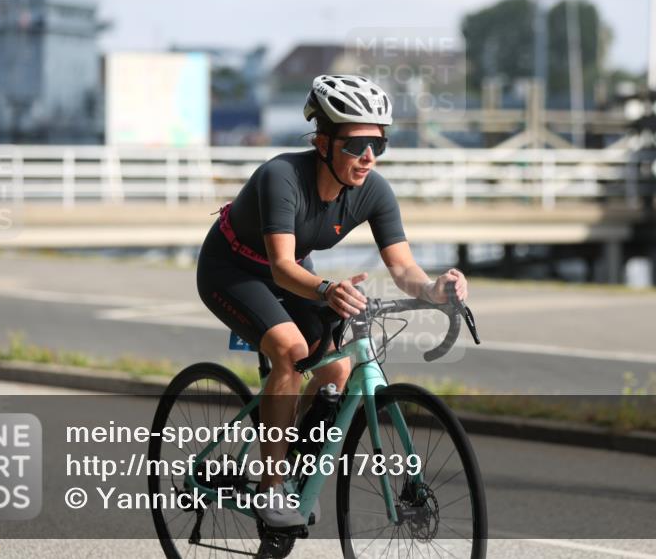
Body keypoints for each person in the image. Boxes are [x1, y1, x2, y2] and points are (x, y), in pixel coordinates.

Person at [196, 74, 468, 528]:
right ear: (323, 141)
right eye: (355, 144)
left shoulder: (373, 190)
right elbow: (282, 265)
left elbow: (402, 267)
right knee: (290, 350)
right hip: (232, 269)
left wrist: (434, 289)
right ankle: (270, 486)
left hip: (292, 275)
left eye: (378, 145)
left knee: (337, 368)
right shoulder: (281, 176)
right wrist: (327, 289)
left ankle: (295, 459)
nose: (367, 158)